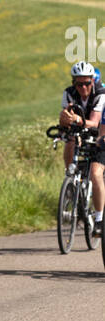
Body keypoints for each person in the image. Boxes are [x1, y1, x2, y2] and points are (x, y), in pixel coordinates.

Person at [61, 61, 105, 234]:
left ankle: (99, 219)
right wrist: (64, 121)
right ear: (74, 83)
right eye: (79, 84)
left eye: (87, 83)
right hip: (81, 130)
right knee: (70, 141)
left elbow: (95, 122)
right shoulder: (69, 93)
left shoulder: (101, 94)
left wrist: (77, 121)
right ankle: (71, 178)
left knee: (95, 174)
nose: (83, 87)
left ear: (92, 81)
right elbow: (65, 118)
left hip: (99, 133)